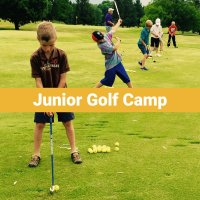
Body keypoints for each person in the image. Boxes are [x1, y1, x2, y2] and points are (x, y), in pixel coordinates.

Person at [28, 21, 82, 167]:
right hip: (43, 95)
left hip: (61, 93)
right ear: (38, 40)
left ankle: (74, 150)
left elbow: (63, 80)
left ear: (55, 39)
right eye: (44, 45)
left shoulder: (61, 55)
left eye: (50, 45)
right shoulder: (35, 57)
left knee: (67, 122)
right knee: (39, 124)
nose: (47, 49)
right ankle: (36, 154)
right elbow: (38, 82)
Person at [92, 19, 133, 88]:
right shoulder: (102, 46)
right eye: (101, 39)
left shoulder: (104, 36)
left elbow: (113, 30)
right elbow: (114, 48)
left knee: (126, 78)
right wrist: (119, 40)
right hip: (110, 65)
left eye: (102, 37)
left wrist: (118, 23)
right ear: (97, 41)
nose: (103, 39)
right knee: (106, 80)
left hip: (117, 62)